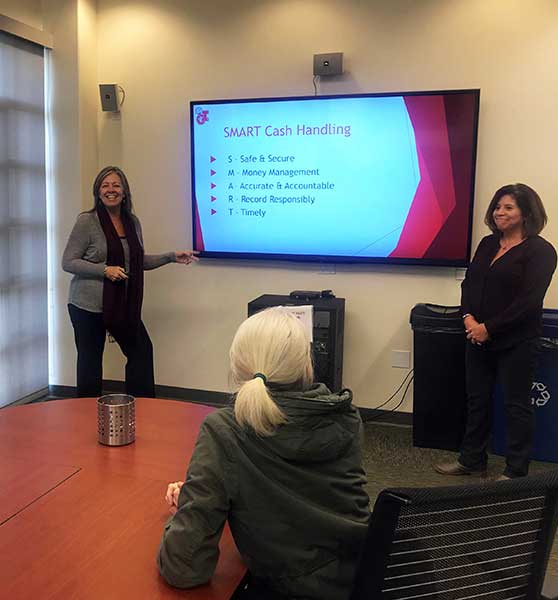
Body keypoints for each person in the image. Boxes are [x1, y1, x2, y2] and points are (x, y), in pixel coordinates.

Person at [157, 307, 370, 599]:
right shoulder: (347, 416)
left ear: (238, 366)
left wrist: (190, 507)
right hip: (366, 572)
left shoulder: (225, 429)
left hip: (291, 587)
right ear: (307, 364)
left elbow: (183, 569)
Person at [435, 183, 557, 480]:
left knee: (516, 405)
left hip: (516, 341)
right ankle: (472, 461)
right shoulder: (488, 244)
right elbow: (470, 284)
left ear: (526, 212)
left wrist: (488, 328)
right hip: (476, 337)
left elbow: (529, 301)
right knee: (476, 400)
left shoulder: (541, 251)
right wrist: (468, 319)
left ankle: (516, 471)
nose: (499, 212)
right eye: (497, 206)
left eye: (508, 207)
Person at [62, 165, 198, 398]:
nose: (111, 190)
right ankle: (84, 418)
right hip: (86, 305)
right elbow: (68, 262)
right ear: (98, 192)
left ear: (124, 192)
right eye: (105, 185)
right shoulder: (87, 221)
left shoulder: (132, 222)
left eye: (116, 185)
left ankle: (142, 409)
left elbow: (135, 262)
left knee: (141, 352)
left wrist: (171, 257)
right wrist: (105, 270)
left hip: (121, 305)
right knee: (90, 363)